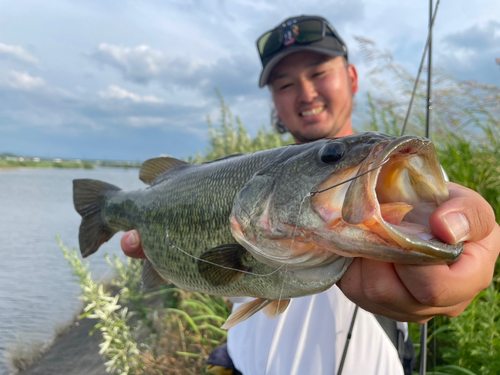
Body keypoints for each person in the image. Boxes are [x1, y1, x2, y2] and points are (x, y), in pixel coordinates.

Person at [120, 15, 500, 375]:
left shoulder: (394, 177)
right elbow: (215, 273)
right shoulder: (245, 178)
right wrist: (166, 254)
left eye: (319, 73)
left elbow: (447, 219)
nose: (306, 93)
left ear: (351, 77)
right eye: (284, 84)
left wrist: (464, 247)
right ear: (274, 101)